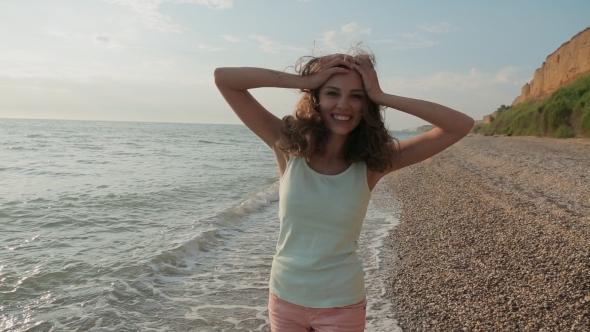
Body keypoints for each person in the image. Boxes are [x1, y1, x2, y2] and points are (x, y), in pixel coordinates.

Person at [214, 50, 474, 332]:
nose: (343, 105)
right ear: (316, 98)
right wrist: (309, 79)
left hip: (341, 305)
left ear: (367, 105)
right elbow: (225, 79)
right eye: (332, 93)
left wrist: (381, 95)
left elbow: (459, 125)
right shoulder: (288, 147)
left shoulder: (372, 163)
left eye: (356, 96)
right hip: (284, 299)